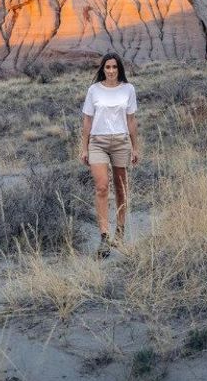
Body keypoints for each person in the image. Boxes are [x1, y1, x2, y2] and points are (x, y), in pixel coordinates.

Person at [79, 52, 140, 258]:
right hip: (98, 142)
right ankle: (104, 237)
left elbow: (131, 120)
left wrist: (135, 146)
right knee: (102, 186)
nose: (111, 71)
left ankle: (120, 232)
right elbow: (87, 120)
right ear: (103, 69)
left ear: (119, 69)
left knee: (121, 189)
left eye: (114, 67)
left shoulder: (128, 89)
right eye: (107, 67)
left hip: (121, 142)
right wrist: (84, 147)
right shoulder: (94, 90)